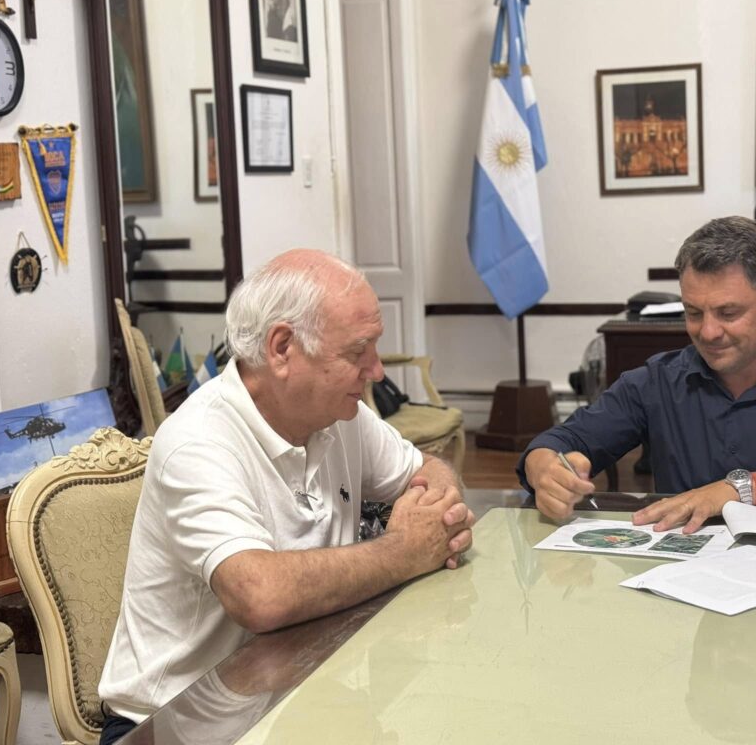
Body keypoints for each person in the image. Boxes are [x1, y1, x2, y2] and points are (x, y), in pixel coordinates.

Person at [98, 250, 474, 743]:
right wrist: (405, 549)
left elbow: (427, 469)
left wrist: (438, 505)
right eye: (358, 352)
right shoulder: (199, 441)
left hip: (300, 699)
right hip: (177, 723)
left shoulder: (339, 416)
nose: (377, 371)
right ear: (281, 348)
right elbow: (260, 596)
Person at [518, 216, 756, 532]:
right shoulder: (657, 382)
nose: (708, 333)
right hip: (683, 569)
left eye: (728, 313)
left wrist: (733, 491)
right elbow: (561, 441)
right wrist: (545, 470)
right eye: (694, 313)